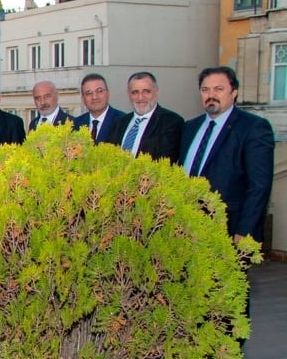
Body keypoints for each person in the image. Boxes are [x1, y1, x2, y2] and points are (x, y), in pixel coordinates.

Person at [180, 66, 274, 243]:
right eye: (205, 89)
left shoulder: (253, 128)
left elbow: (259, 185)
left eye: (219, 89)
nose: (211, 95)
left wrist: (245, 230)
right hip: (188, 229)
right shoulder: (190, 127)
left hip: (229, 230)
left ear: (234, 92)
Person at [106, 71, 182, 163]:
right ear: (128, 94)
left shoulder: (171, 122)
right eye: (135, 92)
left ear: (157, 91)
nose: (140, 98)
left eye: (146, 91)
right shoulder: (119, 123)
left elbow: (164, 161)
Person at [71, 73, 124, 143]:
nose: (94, 97)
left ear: (108, 94)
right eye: (88, 93)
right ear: (83, 99)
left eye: (99, 91)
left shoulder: (122, 122)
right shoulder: (75, 124)